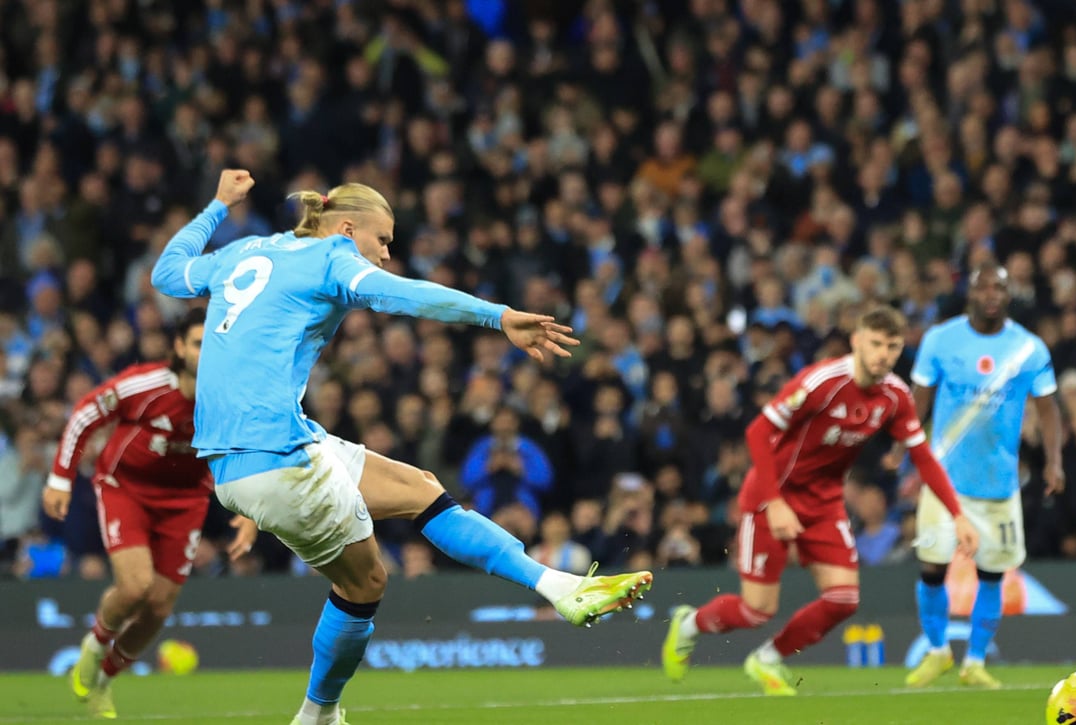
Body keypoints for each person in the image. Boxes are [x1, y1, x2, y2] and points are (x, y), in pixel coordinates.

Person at [150, 170, 651, 725]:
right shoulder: (333, 257)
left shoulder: (244, 252)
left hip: (245, 455)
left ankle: (560, 587)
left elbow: (168, 272)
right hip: (276, 453)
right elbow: (407, 296)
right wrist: (498, 316)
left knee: (422, 490)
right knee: (365, 582)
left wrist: (218, 205)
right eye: (383, 239)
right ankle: (318, 714)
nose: (385, 254)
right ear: (345, 228)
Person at [661, 306, 978, 695]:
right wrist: (775, 503)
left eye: (893, 347)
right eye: (876, 344)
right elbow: (758, 432)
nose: (884, 354)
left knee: (844, 599)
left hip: (824, 502)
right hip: (770, 495)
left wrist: (958, 515)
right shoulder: (822, 382)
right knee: (756, 610)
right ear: (857, 341)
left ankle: (768, 659)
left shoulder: (895, 396)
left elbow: (924, 457)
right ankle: (689, 623)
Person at [41, 307, 259, 718]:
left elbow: (249, 449)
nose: (205, 350)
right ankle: (94, 643)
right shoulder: (147, 384)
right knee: (136, 586)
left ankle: (105, 679)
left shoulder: (231, 396)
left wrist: (251, 513)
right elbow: (87, 411)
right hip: (127, 490)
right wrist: (60, 478)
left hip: (186, 501)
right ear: (178, 347)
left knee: (159, 607)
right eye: (197, 342)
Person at [905, 261, 1064, 690]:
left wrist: (1054, 460)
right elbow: (917, 401)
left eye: (1000, 287)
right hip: (944, 482)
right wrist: (903, 452)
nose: (991, 293)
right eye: (983, 287)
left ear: (1009, 295)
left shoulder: (1029, 349)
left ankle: (974, 661)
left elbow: (1048, 409)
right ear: (969, 293)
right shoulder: (940, 340)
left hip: (997, 485)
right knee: (932, 568)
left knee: (992, 574)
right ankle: (938, 651)